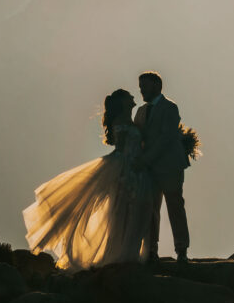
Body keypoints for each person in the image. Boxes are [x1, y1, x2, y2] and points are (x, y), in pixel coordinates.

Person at [23, 89, 153, 270]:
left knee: (135, 211)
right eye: (129, 96)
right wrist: (122, 167)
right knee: (122, 210)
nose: (133, 98)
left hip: (138, 170)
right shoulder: (121, 122)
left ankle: (129, 252)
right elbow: (121, 148)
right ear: (123, 102)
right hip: (127, 170)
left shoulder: (134, 120)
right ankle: (119, 254)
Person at [134, 71, 191, 264]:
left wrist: (146, 159)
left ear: (157, 85)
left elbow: (166, 137)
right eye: (140, 85)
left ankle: (181, 250)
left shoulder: (170, 107)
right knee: (150, 209)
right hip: (149, 171)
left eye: (145, 85)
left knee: (175, 206)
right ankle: (151, 250)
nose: (141, 89)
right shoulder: (141, 111)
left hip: (169, 167)